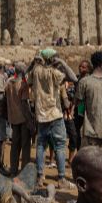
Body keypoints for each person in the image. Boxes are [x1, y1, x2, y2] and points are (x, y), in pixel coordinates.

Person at [27, 48, 77, 189]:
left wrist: (32, 63)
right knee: (60, 146)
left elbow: (26, 77)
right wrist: (63, 63)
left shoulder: (36, 72)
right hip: (55, 114)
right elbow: (73, 78)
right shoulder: (54, 73)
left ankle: (40, 177)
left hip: (41, 116)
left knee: (41, 146)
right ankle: (61, 178)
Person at [6, 62, 32, 175]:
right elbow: (25, 104)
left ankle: (13, 170)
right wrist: (30, 120)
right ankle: (24, 172)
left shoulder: (9, 82)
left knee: (15, 146)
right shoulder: (23, 84)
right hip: (23, 118)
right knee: (25, 146)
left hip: (13, 118)